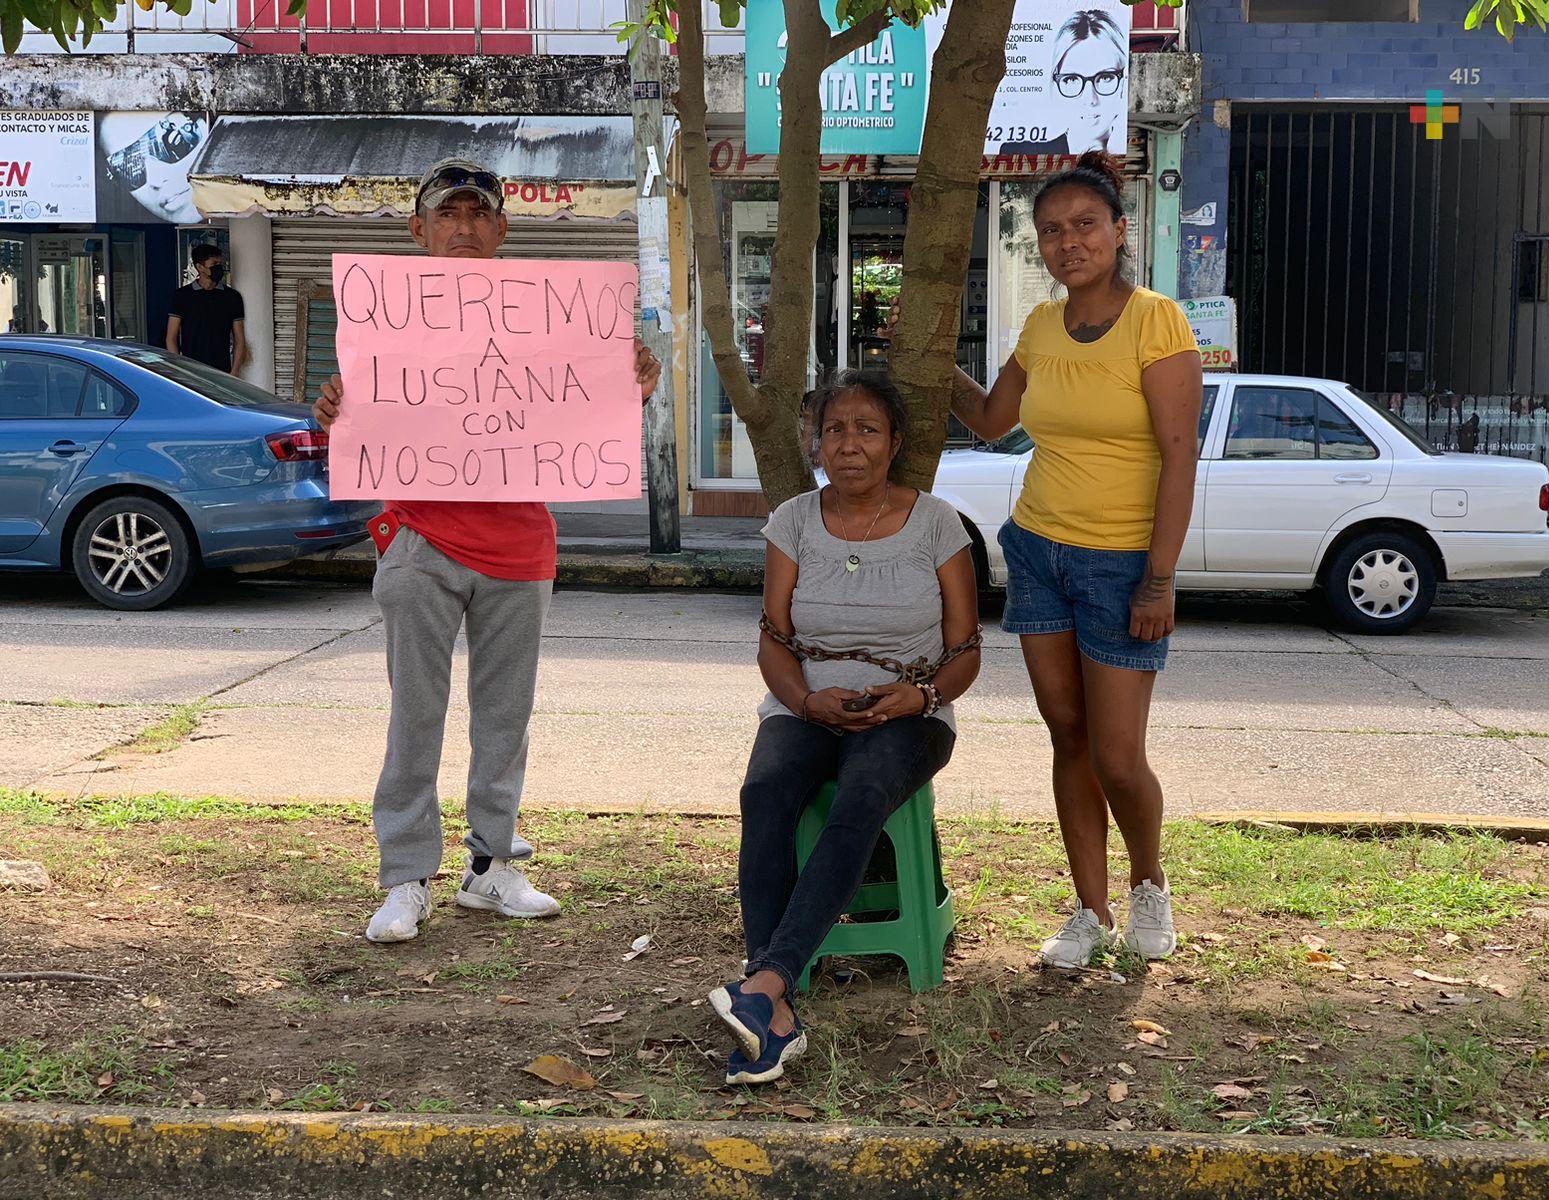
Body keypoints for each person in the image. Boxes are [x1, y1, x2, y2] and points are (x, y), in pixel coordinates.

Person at [313, 157, 663, 944]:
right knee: (417, 716)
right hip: (421, 543)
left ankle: (491, 866)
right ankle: (405, 876)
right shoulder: (385, 321)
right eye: (449, 215)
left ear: (503, 230)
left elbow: (594, 408)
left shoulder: (552, 318)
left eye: (479, 215)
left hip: (520, 548)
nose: (464, 229)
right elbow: (356, 416)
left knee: (505, 720)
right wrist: (335, 409)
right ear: (419, 230)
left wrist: (635, 376)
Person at [928, 151, 1202, 969]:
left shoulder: (1158, 321)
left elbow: (1180, 456)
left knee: (1119, 754)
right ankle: (1090, 908)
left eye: (1085, 225)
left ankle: (1150, 885)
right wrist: (925, 348)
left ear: (1119, 231)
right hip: (1039, 550)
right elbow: (988, 419)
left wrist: (1159, 578)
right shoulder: (1042, 328)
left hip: (1123, 564)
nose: (1068, 242)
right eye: (1051, 231)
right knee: (1068, 737)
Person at [710, 371, 981, 1085]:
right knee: (766, 792)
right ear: (816, 442)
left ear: (894, 443)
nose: (850, 443)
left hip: (910, 712)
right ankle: (775, 1005)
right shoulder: (794, 519)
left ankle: (765, 986)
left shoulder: (937, 523)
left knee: (863, 796)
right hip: (809, 705)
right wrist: (804, 702)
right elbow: (773, 637)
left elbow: (966, 650)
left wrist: (916, 697)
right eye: (835, 429)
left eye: (867, 429)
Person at [998, 9, 1127, 157]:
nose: (1090, 99)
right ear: (1055, 85)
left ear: (1123, 82)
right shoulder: (1020, 153)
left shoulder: (1128, 152)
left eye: (1105, 78)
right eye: (1072, 79)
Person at [166, 244, 246, 376]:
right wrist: (180, 370)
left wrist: (235, 370)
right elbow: (171, 337)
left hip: (222, 370)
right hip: (191, 370)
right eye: (214, 264)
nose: (218, 268)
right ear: (200, 267)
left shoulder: (232, 297)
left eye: (220, 263)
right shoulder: (182, 296)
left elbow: (239, 338)